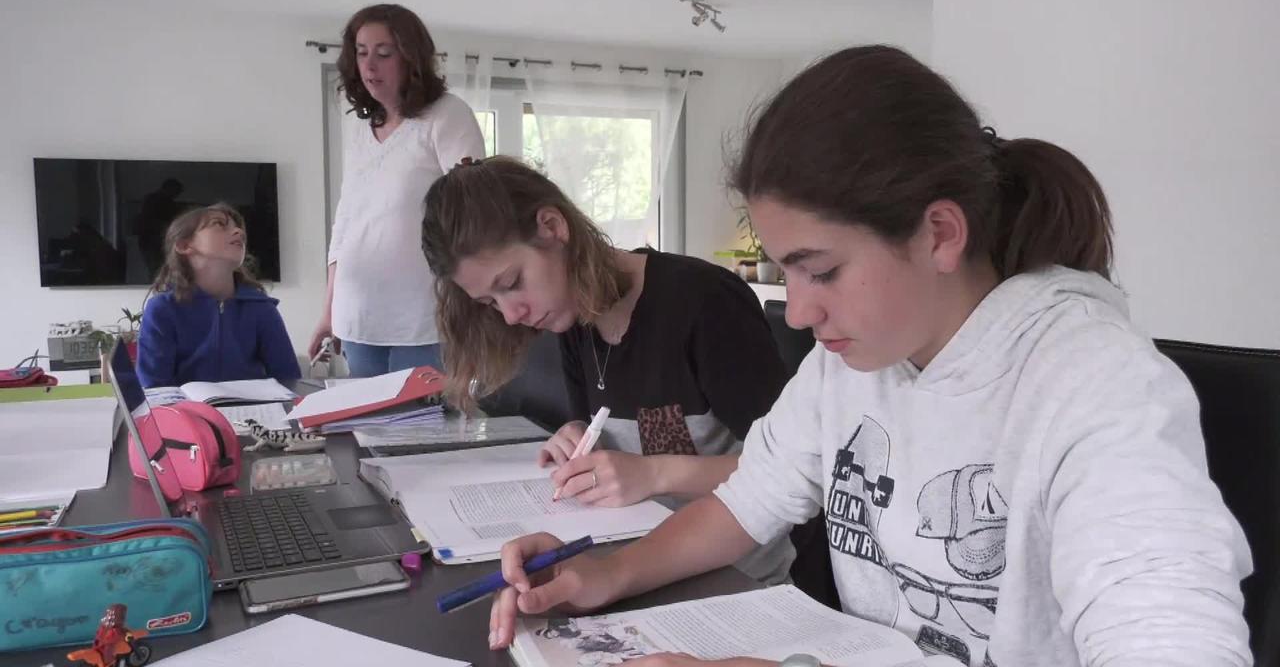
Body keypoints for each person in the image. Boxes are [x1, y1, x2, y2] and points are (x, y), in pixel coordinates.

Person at [486, 47, 1253, 666]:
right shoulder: (847, 367)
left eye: (822, 271)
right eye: (785, 271)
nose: (801, 309)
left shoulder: (1097, 389)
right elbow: (745, 503)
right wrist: (604, 575)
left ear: (940, 234)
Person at [420, 156, 793, 585]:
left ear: (552, 227)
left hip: (740, 579)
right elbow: (598, 421)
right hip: (635, 563)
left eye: (511, 283)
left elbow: (794, 467)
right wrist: (574, 437)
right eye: (490, 302)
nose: (509, 315)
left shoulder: (704, 303)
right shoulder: (574, 319)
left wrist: (653, 474)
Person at [311, 3, 485, 377]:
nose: (370, 65)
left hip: (423, 321)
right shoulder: (359, 128)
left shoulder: (447, 114)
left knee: (420, 433)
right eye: (361, 53)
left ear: (411, 57)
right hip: (358, 318)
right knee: (365, 434)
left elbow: (471, 215)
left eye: (384, 53)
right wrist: (330, 311)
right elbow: (345, 226)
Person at [137, 203, 301, 388]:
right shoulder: (162, 309)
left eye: (237, 227)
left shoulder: (261, 307)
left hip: (255, 413)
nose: (239, 231)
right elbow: (154, 389)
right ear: (184, 245)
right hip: (188, 414)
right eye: (219, 225)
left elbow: (288, 379)